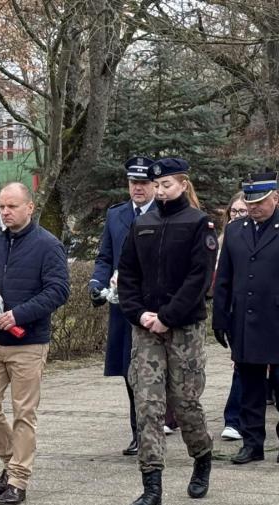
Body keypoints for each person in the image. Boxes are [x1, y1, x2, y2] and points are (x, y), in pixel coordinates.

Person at [118, 157, 217, 505]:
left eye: (166, 185)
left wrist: (168, 316)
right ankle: (152, 486)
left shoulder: (198, 223)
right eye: (156, 185)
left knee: (185, 402)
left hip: (183, 328)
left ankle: (202, 456)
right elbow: (127, 274)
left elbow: (199, 278)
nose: (160, 191)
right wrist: (139, 313)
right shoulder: (142, 224)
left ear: (183, 185)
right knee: (148, 405)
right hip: (146, 328)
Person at [0, 182, 70, 505]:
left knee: (23, 412)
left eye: (12, 206)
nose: (5, 212)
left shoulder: (48, 245)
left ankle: (18, 479)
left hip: (29, 343)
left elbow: (58, 291)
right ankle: (10, 461)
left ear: (30, 207)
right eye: (1, 206)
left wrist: (19, 315)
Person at [213, 171, 279, 464]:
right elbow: (224, 279)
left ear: (274, 198)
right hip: (245, 322)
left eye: (259, 201)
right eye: (249, 202)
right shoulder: (236, 230)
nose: (254, 207)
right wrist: (220, 318)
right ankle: (252, 443)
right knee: (250, 388)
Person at [88, 156, 177, 456]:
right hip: (123, 306)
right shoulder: (117, 215)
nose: (137, 188)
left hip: (155, 307)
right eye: (133, 183)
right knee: (131, 372)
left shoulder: (166, 213)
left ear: (154, 185)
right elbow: (105, 256)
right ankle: (139, 433)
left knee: (155, 372)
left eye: (143, 183)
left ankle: (159, 425)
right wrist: (96, 283)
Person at [219, 192, 247, 441]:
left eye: (242, 211)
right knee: (241, 365)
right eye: (234, 212)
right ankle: (234, 419)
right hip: (233, 312)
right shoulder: (224, 239)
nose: (237, 216)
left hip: (257, 311)